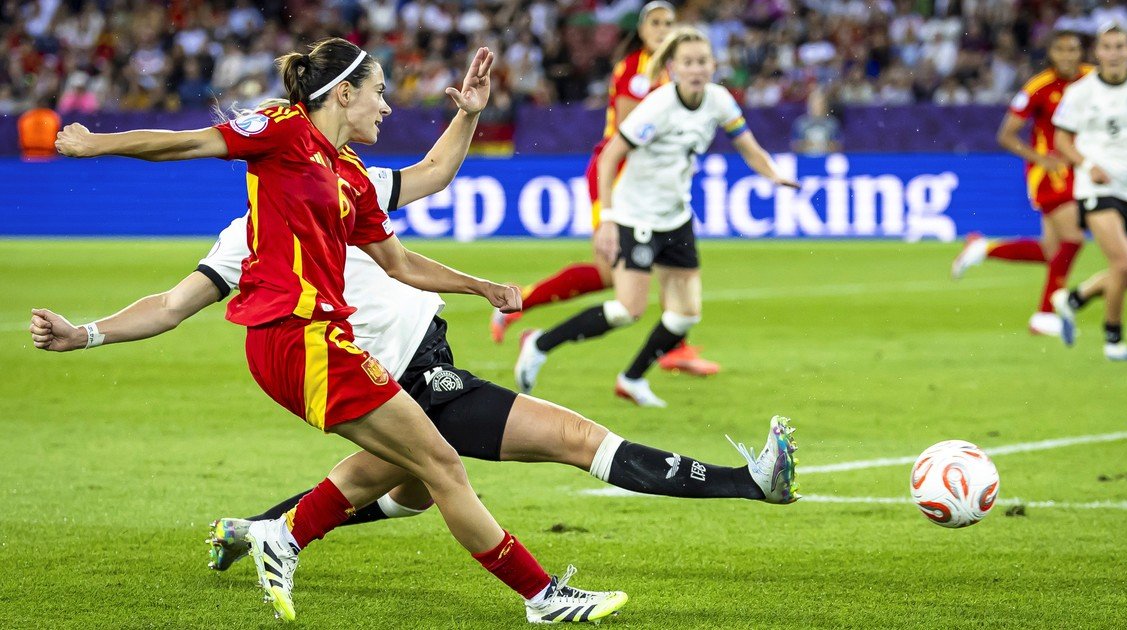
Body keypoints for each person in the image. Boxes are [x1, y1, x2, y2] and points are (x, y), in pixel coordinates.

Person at [45, 39, 625, 624]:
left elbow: (401, 263)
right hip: (296, 337)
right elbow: (189, 145)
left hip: (321, 340)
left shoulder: (349, 177)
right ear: (343, 93)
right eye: (378, 93)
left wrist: (482, 287)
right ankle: (541, 598)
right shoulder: (282, 129)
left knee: (418, 468)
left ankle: (283, 536)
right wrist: (98, 144)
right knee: (441, 467)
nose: (387, 108)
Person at [29, 175, 800, 573]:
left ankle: (258, 531)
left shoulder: (343, 187)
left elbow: (423, 195)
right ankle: (746, 482)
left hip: (429, 362)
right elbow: (169, 306)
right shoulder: (245, 237)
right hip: (400, 381)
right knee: (570, 435)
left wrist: (467, 117)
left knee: (393, 489)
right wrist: (85, 333)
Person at [513, 27, 799, 407]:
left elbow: (749, 147)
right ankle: (539, 343)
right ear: (673, 67)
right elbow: (611, 156)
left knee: (684, 314)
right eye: (688, 62)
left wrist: (774, 174)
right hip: (637, 216)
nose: (696, 69)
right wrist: (609, 217)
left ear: (713, 65)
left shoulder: (719, 100)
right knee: (627, 309)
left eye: (702, 62)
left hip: (676, 216)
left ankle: (630, 380)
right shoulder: (658, 107)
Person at [488, 3, 721, 378]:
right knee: (616, 270)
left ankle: (674, 344)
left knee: (646, 266)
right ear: (642, 30)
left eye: (669, 23)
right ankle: (520, 304)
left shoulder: (674, 72)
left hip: (648, 184)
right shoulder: (635, 70)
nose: (663, 30)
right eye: (656, 23)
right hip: (619, 177)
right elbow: (631, 134)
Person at [1050, 23, 1127, 361]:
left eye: (1121, 46)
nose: (1115, 53)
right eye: (1108, 46)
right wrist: (1086, 164)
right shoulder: (1081, 91)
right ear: (1098, 52)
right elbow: (1061, 138)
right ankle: (1113, 340)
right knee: (1121, 263)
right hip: (1096, 186)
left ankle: (1072, 299)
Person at [953, 30, 1091, 337]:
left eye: (1073, 50)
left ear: (1081, 53)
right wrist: (1040, 160)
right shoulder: (1038, 87)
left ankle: (983, 248)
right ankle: (1045, 314)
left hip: (1081, 169)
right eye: (1061, 50)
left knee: (1051, 251)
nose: (1067, 56)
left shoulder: (1092, 80)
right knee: (1074, 239)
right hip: (1051, 172)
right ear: (1051, 53)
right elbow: (1006, 134)